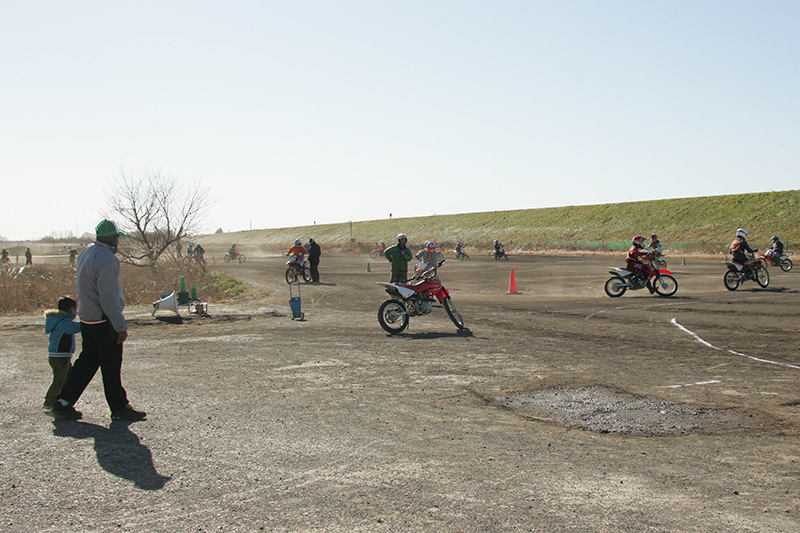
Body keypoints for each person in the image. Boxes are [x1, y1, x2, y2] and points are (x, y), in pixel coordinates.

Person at [52, 219, 145, 421]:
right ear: (112, 238)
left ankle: (63, 401)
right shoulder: (108, 259)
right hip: (103, 320)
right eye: (117, 237)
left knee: (87, 361)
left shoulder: (87, 252)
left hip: (88, 318)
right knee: (111, 364)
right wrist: (120, 326)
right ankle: (119, 407)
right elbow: (108, 297)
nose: (118, 241)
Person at [43, 296, 82, 410]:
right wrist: (87, 322)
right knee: (60, 380)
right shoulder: (64, 322)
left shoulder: (58, 320)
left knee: (67, 378)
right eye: (76, 309)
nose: (77, 312)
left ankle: (59, 400)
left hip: (59, 356)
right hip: (60, 357)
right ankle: (49, 401)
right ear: (70, 310)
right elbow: (73, 328)